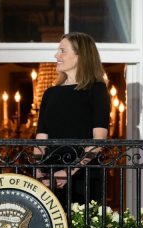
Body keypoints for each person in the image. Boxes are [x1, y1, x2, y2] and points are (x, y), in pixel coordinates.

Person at [35, 32, 110, 206]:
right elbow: (41, 138)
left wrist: (69, 171)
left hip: (84, 174)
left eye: (62, 51)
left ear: (80, 56)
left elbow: (99, 140)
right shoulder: (50, 93)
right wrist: (39, 171)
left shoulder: (97, 90)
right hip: (50, 173)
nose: (56, 55)